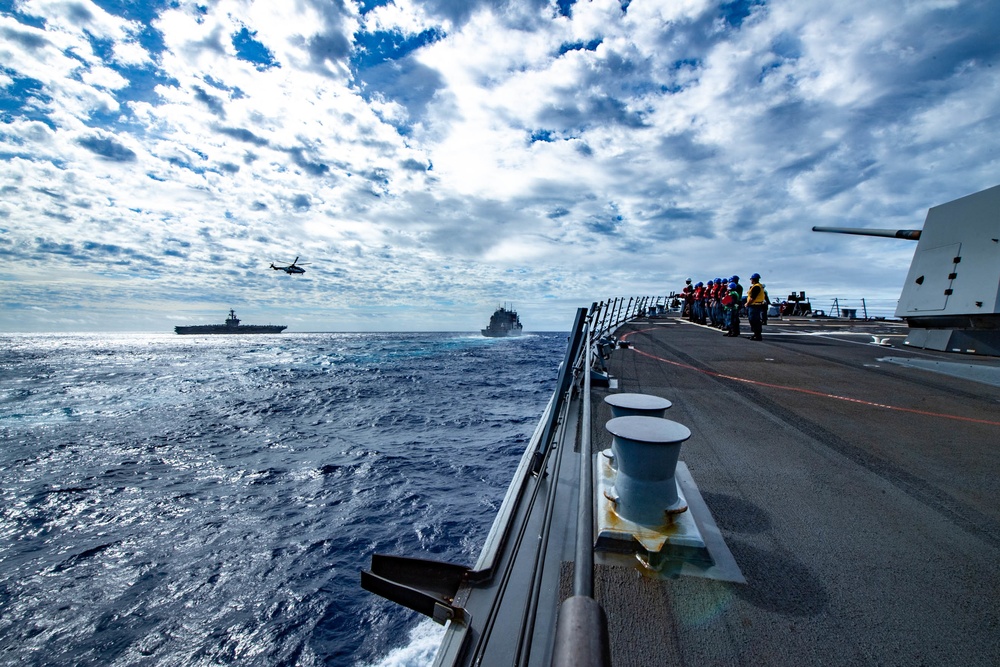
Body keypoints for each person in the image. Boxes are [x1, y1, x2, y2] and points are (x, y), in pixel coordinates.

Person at [745, 272, 766, 340]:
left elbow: (752, 297)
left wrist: (747, 303)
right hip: (755, 305)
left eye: (751, 279)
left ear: (753, 279)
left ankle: (757, 335)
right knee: (753, 320)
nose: (751, 280)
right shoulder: (758, 286)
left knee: (754, 320)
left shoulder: (756, 287)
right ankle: (755, 334)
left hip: (754, 305)